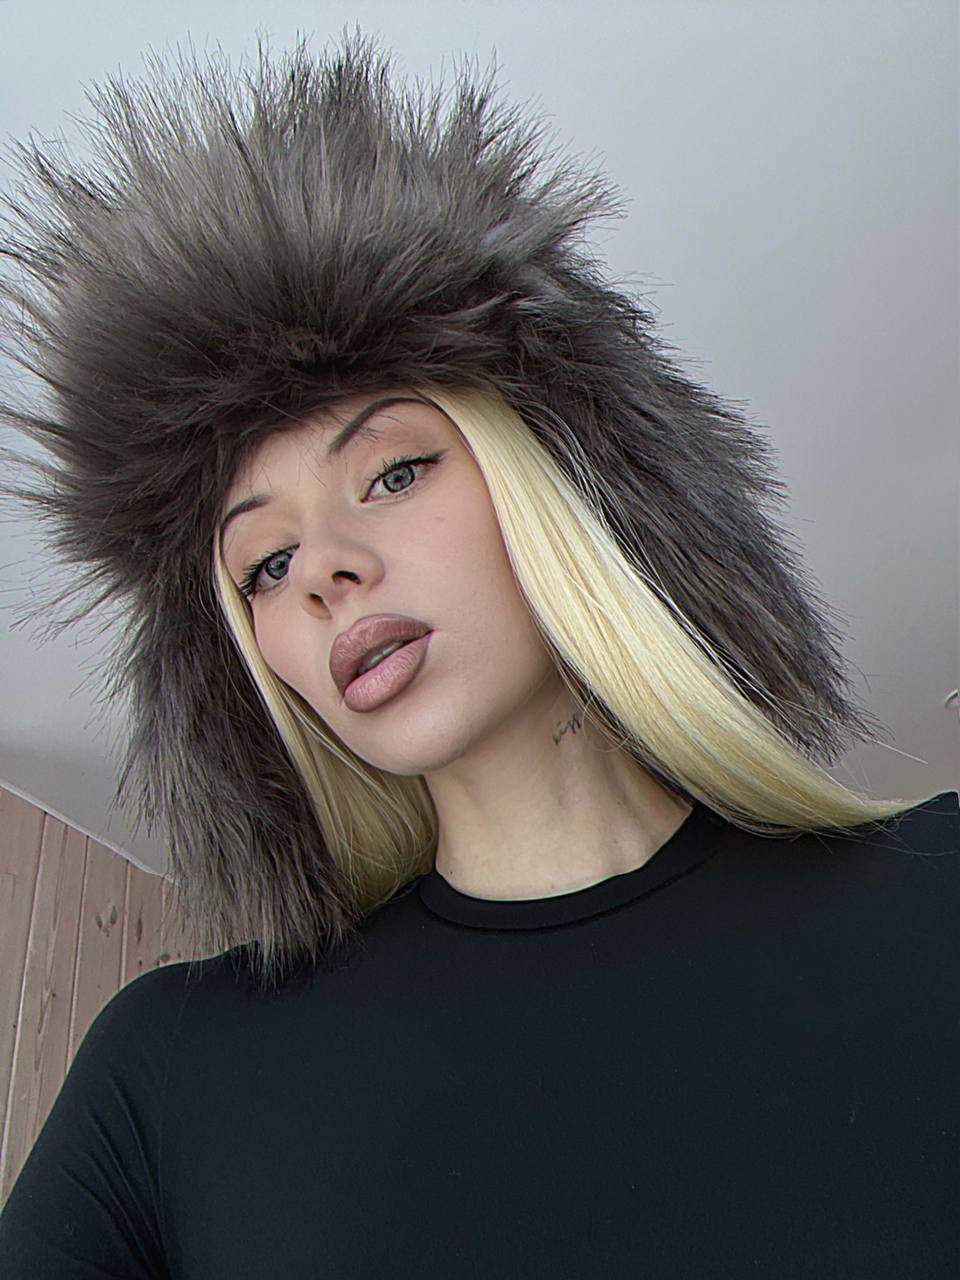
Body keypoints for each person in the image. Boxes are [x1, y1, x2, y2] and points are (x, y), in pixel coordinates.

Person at [0, 31, 955, 1279]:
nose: (325, 567)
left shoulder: (937, 900)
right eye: (265, 564)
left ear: (556, 486)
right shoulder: (170, 1071)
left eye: (393, 471)